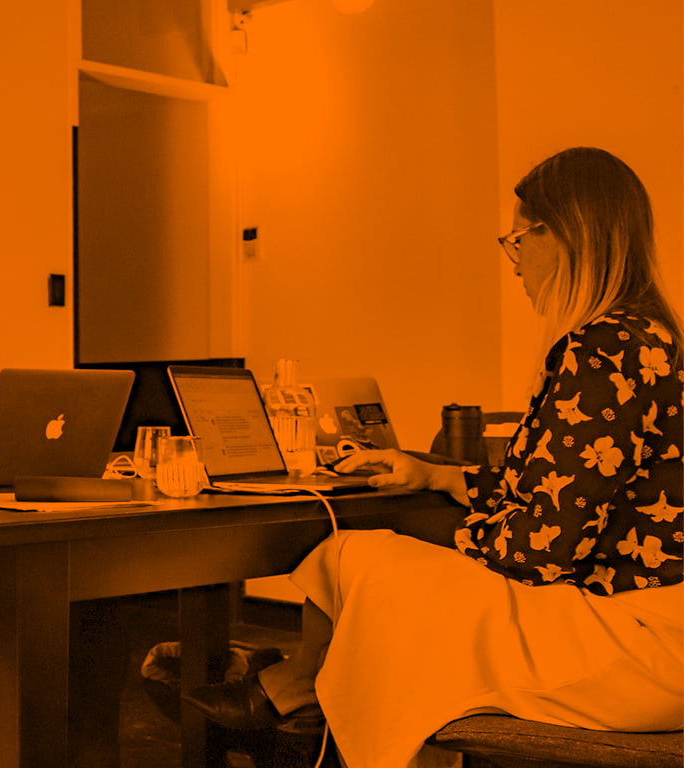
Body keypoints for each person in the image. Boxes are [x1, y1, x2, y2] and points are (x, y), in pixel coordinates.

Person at [182, 147, 683, 768]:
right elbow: (567, 483)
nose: (516, 262)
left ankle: (296, 695)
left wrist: (446, 543)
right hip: (654, 626)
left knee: (363, 556)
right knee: (371, 561)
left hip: (633, 647)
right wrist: (438, 475)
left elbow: (537, 549)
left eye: (519, 240)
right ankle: (299, 697)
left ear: (564, 234)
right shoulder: (651, 335)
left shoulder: (598, 348)